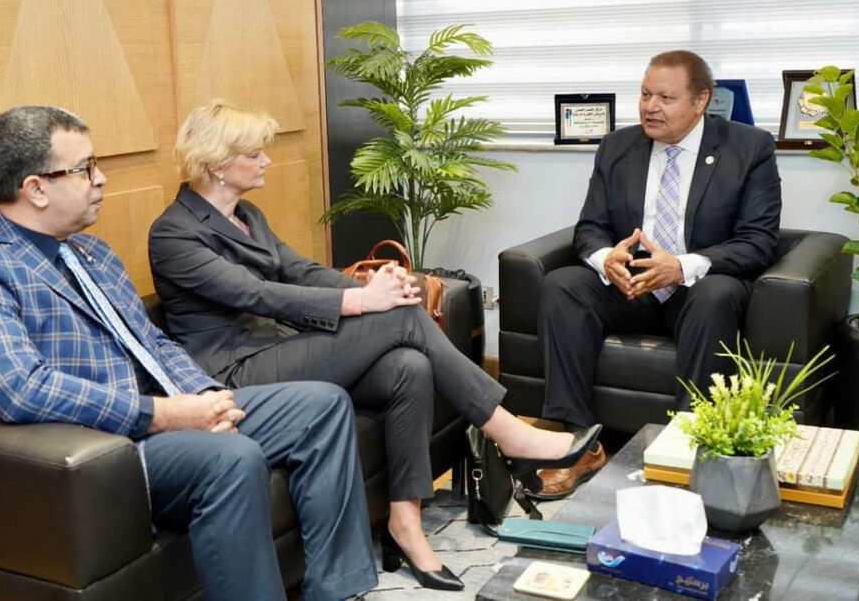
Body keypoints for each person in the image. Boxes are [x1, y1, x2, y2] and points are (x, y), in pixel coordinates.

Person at [147, 100, 602, 590]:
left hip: (279, 351)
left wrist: (374, 285)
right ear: (217, 163)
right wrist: (364, 301)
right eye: (255, 154)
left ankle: (405, 522)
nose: (266, 161)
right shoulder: (173, 233)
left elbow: (300, 271)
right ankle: (508, 432)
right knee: (401, 317)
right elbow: (256, 294)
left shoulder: (247, 215)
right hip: (233, 374)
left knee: (409, 366)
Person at [0, 106, 378, 601]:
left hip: (167, 413)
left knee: (321, 406)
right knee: (232, 458)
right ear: (36, 189)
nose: (101, 179)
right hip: (105, 448)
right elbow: (22, 388)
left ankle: (337, 590)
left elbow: (154, 343)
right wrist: (166, 415)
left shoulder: (92, 253)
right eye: (84, 169)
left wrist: (205, 397)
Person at [536, 50, 781, 498]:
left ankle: (689, 447)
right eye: (645, 95)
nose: (650, 107)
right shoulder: (617, 147)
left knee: (716, 296)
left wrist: (681, 266)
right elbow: (589, 228)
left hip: (697, 289)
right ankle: (578, 442)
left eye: (665, 98)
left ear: (701, 100)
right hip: (631, 286)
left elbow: (758, 241)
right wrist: (606, 258)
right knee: (562, 286)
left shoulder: (750, 149)